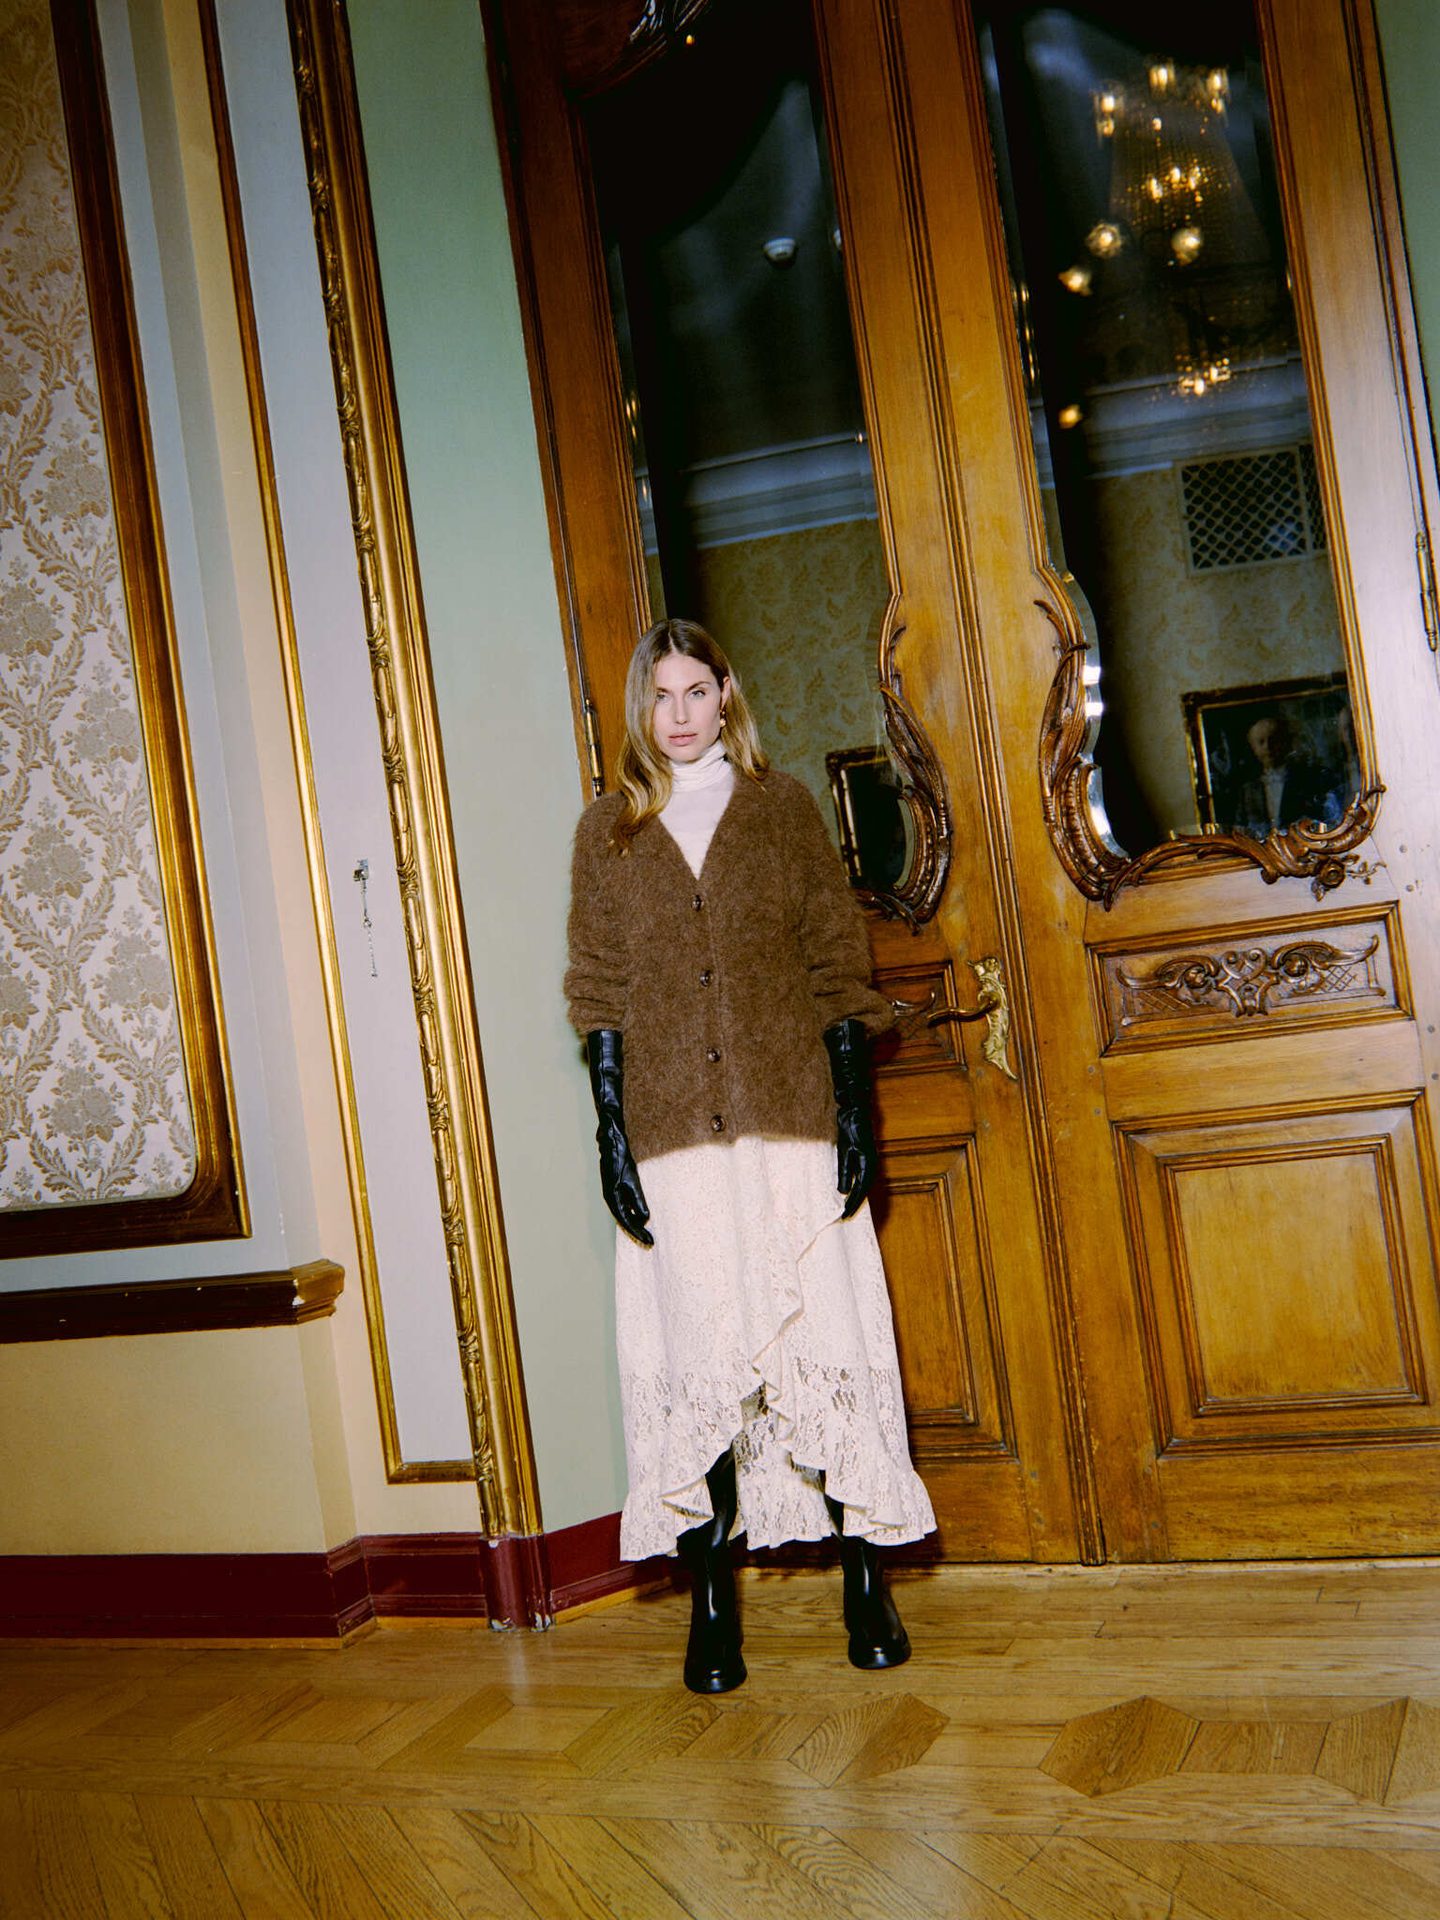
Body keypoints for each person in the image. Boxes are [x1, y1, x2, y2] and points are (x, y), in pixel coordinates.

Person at [565, 618, 935, 1694]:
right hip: (673, 1138)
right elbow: (598, 990)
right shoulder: (607, 832)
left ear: (725, 695)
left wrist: (856, 1115)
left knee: (826, 1339)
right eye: (660, 695)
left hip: (789, 1123)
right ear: (640, 708)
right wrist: (611, 1133)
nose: (678, 714)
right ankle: (712, 1603)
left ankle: (866, 1577)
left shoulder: (782, 811)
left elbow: (835, 964)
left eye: (696, 691)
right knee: (701, 1362)